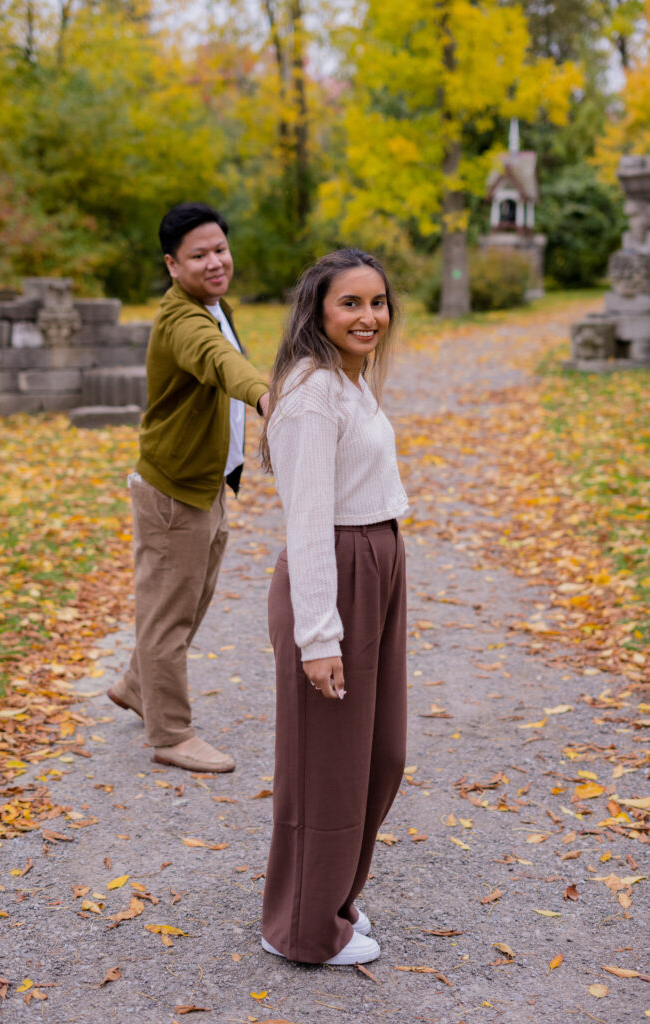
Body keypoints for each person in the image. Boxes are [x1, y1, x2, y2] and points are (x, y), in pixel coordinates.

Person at [259, 249, 408, 966]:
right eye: (350, 303)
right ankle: (301, 928)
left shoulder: (349, 383)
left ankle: (334, 896)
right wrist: (319, 636)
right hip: (336, 576)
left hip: (376, 567)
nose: (368, 316)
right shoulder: (309, 392)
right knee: (327, 765)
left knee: (377, 756)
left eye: (376, 302)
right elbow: (308, 521)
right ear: (317, 309)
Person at [107, 202, 269, 773]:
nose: (215, 261)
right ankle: (171, 734)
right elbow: (219, 362)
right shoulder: (183, 321)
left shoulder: (212, 305)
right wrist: (266, 396)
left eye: (220, 249)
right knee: (168, 616)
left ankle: (135, 683)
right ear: (173, 265)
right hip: (175, 492)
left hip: (206, 485)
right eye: (199, 255)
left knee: (189, 601)